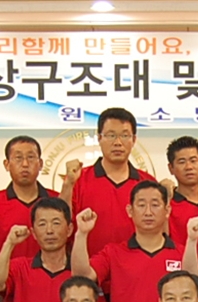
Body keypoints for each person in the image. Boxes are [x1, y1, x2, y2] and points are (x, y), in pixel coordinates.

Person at [72, 180, 181, 302]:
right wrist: (82, 233)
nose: (148, 212)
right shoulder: (113, 253)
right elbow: (81, 276)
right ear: (130, 211)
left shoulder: (182, 253)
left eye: (155, 205)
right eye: (141, 205)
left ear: (167, 211)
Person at [64, 107, 156, 257]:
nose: (118, 143)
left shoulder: (147, 182)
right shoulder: (79, 180)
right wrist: (68, 185)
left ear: (134, 140)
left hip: (138, 266)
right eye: (111, 135)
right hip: (88, 267)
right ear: (99, 138)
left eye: (124, 135)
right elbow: (62, 224)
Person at [0, 196, 73, 302]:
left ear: (69, 229)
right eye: (42, 224)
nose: (49, 230)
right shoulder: (20, 267)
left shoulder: (79, 271)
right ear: (33, 233)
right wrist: (9, 244)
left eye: (56, 223)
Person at [0, 135, 62, 260]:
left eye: (31, 157)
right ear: (7, 164)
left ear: (40, 164)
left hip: (49, 271)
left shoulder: (56, 200)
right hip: (6, 271)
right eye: (18, 158)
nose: (25, 164)